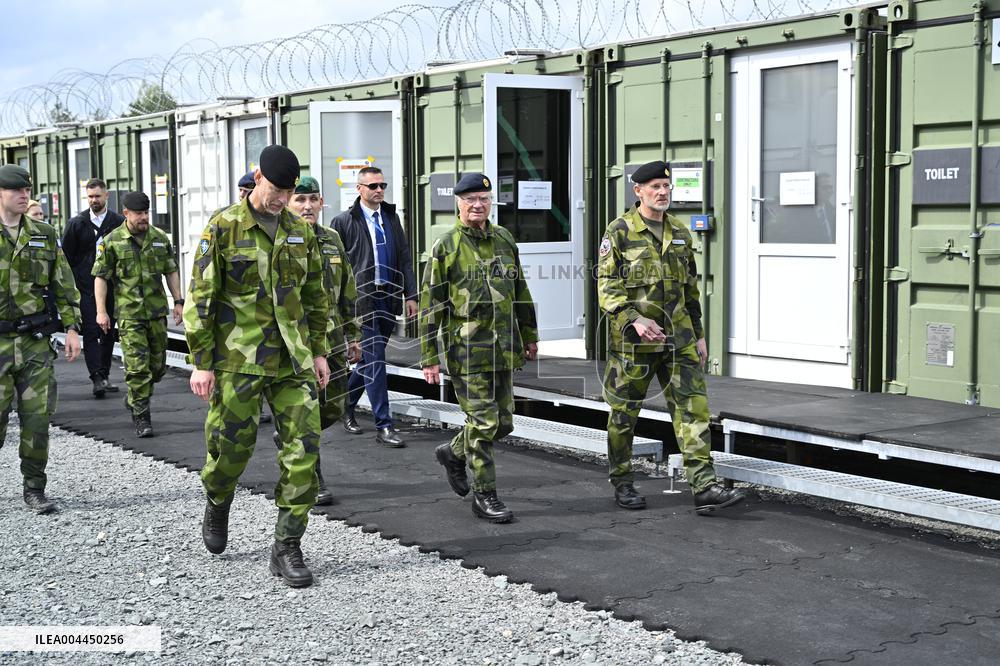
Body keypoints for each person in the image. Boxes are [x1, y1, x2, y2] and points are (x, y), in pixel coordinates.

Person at [184, 145, 330, 588]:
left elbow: (315, 297)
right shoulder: (224, 226)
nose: (283, 200)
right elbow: (201, 299)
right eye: (277, 190)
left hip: (292, 360)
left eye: (290, 192)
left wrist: (319, 351)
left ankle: (287, 545)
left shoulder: (299, 232)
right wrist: (201, 363)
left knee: (304, 451)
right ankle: (218, 497)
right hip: (237, 360)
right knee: (230, 453)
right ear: (257, 178)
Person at [597, 160, 745, 514]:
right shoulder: (619, 232)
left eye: (666, 187)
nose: (662, 193)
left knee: (693, 409)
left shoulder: (680, 232)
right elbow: (606, 287)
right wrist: (634, 318)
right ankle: (622, 480)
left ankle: (704, 486)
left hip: (678, 339)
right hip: (634, 342)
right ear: (639, 191)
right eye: (654, 188)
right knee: (623, 414)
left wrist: (699, 334)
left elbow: (690, 290)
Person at [419, 173, 538, 523]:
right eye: (470, 198)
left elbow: (521, 292)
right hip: (466, 352)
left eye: (484, 199)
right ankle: (485, 494)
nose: (477, 205)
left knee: (503, 423)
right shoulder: (446, 246)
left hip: (503, 348)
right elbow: (431, 306)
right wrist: (429, 357)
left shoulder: (504, 239)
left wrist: (530, 335)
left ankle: (453, 452)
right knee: (484, 421)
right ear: (458, 203)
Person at [0, 164, 82, 514]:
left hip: (34, 343)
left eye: (27, 191)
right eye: (16, 191)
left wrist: (73, 328)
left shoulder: (44, 234)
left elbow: (63, 284)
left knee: (37, 421)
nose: (24, 196)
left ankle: (34, 488)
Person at [281, 176, 360, 506]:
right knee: (308, 413)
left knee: (332, 408)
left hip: (333, 340)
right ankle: (313, 474)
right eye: (300, 200)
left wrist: (354, 334)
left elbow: (348, 289)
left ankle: (290, 438)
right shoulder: (280, 240)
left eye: (313, 199)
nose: (307, 206)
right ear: (288, 203)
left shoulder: (331, 239)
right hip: (297, 344)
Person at [331, 166, 417, 448]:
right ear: (359, 189)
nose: (379, 190)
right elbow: (336, 269)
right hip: (361, 303)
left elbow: (404, 257)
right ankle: (384, 425)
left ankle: (346, 403)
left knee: (368, 361)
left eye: (383, 185)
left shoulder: (391, 218)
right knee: (376, 360)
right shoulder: (344, 222)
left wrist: (410, 294)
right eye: (373, 186)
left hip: (387, 298)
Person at [92, 191, 183, 438]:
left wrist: (178, 301)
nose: (144, 218)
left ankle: (134, 397)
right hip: (130, 315)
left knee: (157, 368)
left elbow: (171, 271)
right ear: (126, 214)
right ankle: (142, 416)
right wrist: (102, 312)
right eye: (139, 214)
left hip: (156, 314)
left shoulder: (159, 238)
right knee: (137, 369)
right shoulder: (111, 241)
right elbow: (101, 277)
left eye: (146, 213)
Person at [62, 177, 124, 398]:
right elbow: (66, 258)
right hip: (86, 288)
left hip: (112, 287)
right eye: (90, 197)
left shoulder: (117, 222)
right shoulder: (76, 224)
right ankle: (96, 377)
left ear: (106, 195)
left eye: (97, 196)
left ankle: (105, 374)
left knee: (108, 331)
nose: (93, 201)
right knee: (90, 330)